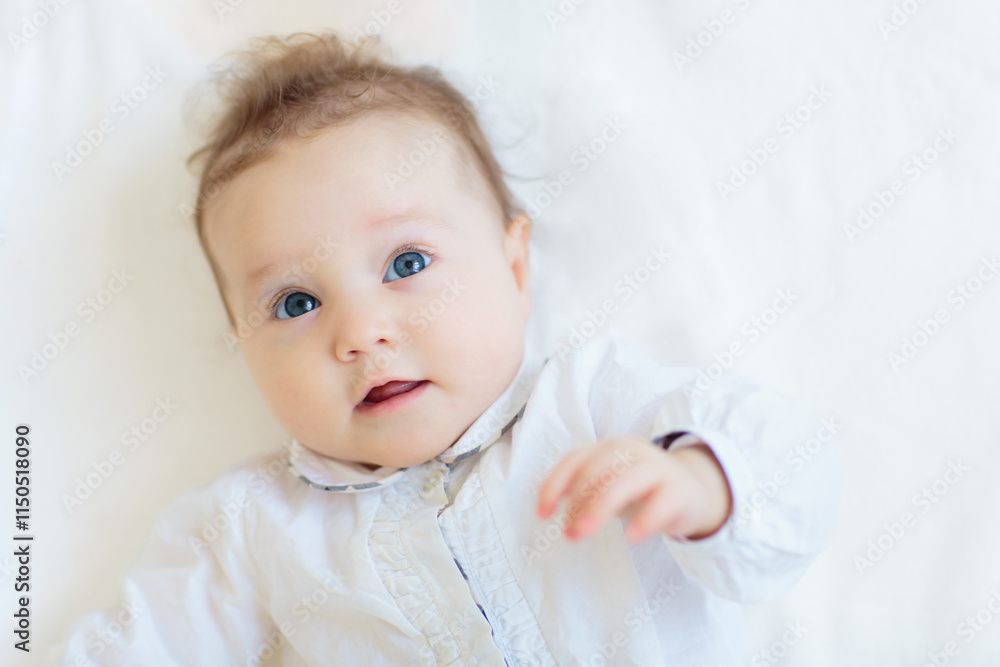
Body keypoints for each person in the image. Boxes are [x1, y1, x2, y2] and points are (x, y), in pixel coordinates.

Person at [55, 32, 840, 666]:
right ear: (242, 341)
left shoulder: (593, 406)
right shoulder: (253, 526)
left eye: (406, 263)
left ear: (514, 265)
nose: (361, 333)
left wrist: (701, 480)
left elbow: (791, 471)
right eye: (296, 302)